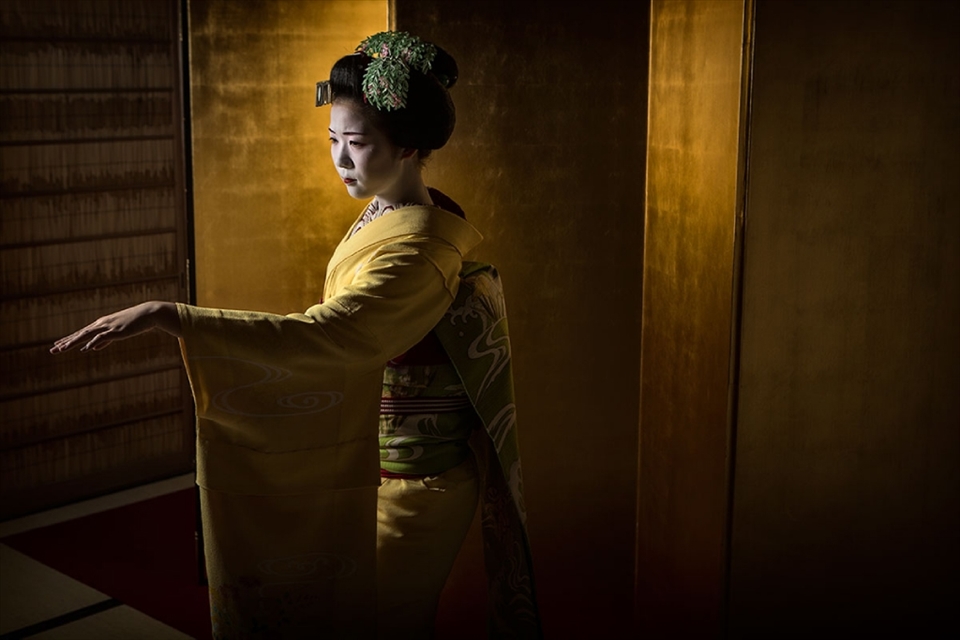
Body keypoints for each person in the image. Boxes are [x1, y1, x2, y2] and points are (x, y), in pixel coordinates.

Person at [51, 31, 541, 639]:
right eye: (332, 139)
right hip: (374, 467)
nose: (339, 159)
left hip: (414, 483)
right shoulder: (393, 211)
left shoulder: (419, 252)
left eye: (356, 144)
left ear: (409, 146)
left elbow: (330, 335)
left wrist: (175, 316)